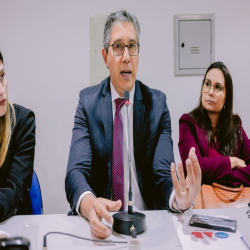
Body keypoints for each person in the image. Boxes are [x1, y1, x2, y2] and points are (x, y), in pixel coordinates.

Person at [65, 9, 201, 239]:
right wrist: (90, 205)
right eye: (118, 47)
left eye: (132, 46)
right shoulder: (87, 103)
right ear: (105, 57)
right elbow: (75, 172)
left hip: (148, 225)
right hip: (102, 225)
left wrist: (179, 199)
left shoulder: (157, 104)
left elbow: (162, 174)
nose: (126, 56)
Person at [179, 61, 250, 187]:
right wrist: (230, 162)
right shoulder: (188, 123)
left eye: (218, 87)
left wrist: (220, 177)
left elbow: (203, 171)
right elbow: (193, 168)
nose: (210, 92)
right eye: (207, 84)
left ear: (227, 96)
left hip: (232, 204)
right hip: (201, 204)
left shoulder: (235, 126)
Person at [0, 51, 36, 222]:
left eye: (1, 76)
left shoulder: (23, 121)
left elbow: (15, 190)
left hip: (13, 229)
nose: (2, 90)